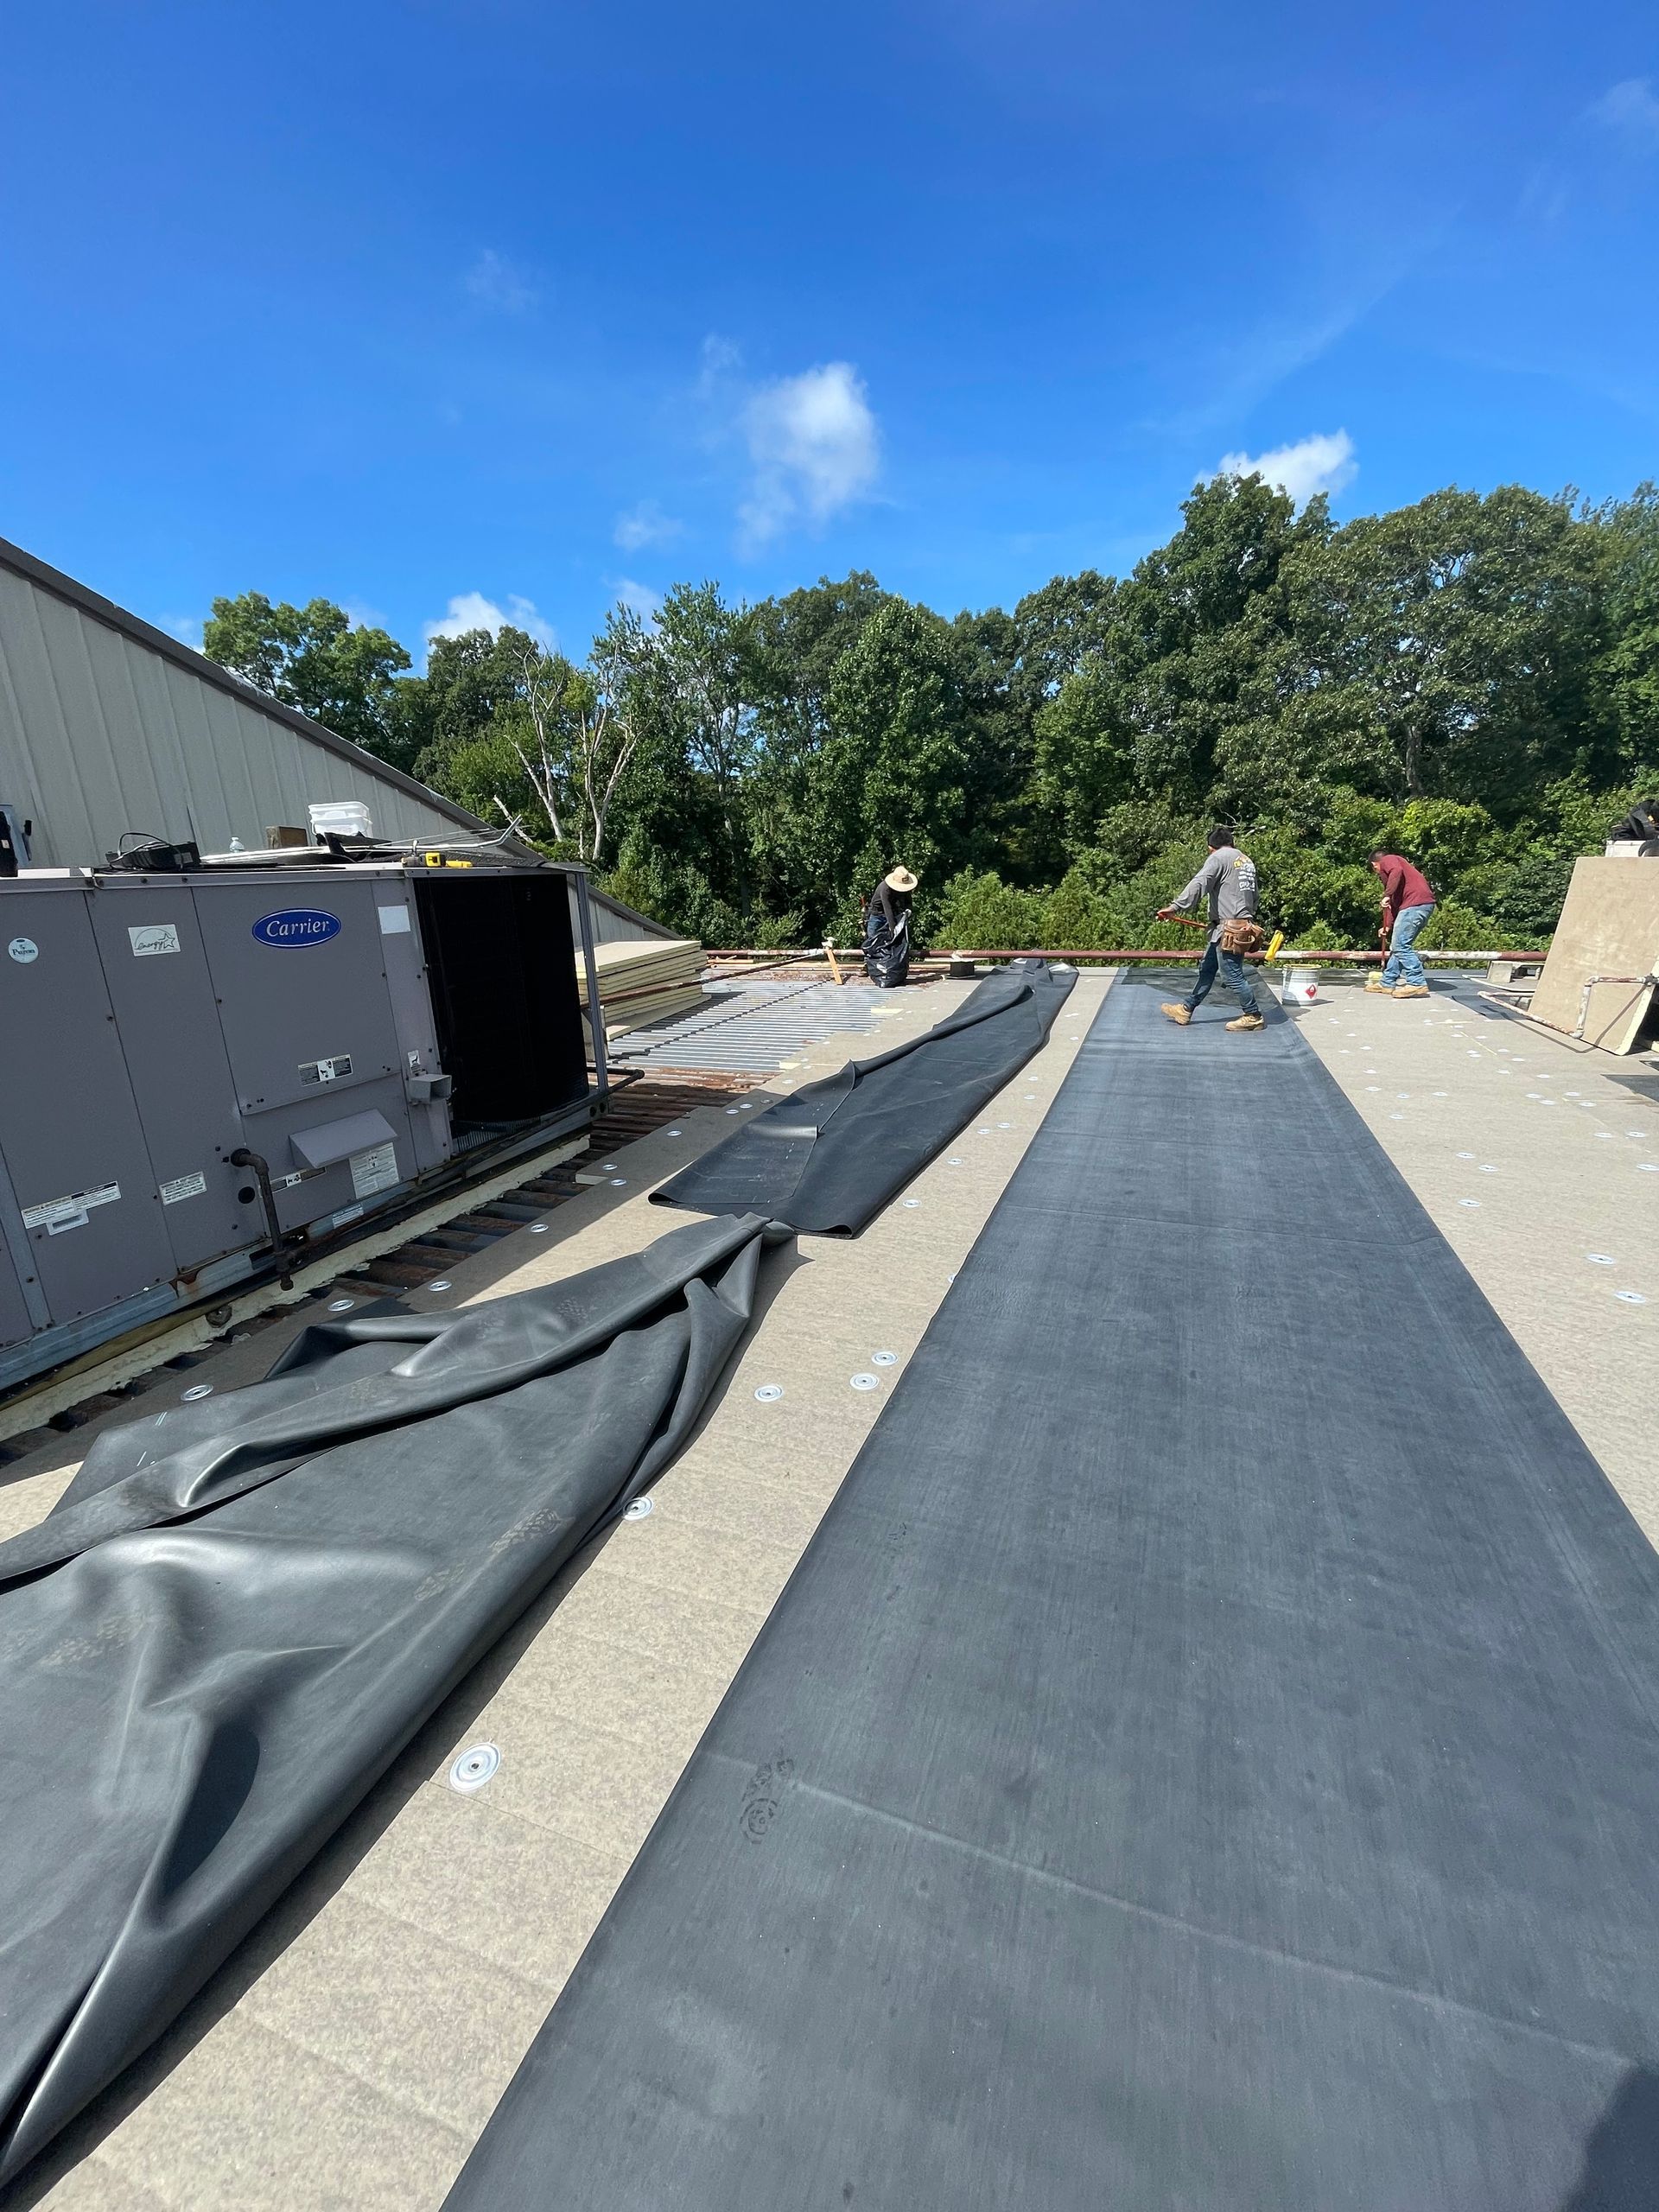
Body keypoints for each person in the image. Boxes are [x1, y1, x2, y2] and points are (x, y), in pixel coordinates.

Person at [1156, 828, 1265, 1032]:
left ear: (1210, 848)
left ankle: (1253, 1015)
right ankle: (1186, 1009)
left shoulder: (1218, 858)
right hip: (1238, 927)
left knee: (1232, 975)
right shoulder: (1246, 861)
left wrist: (1175, 907)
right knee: (1207, 970)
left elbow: (1199, 883)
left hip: (1228, 930)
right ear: (1232, 842)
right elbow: (1255, 895)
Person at [1367, 853, 1436, 998]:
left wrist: (1387, 894)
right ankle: (1387, 982)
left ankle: (1416, 982)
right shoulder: (1399, 883)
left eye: (1375, 870)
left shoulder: (1389, 859)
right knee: (1398, 947)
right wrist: (1387, 926)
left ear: (1375, 865)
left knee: (1400, 946)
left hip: (1415, 905)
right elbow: (1394, 906)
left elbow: (1396, 871)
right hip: (1420, 906)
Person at [864, 865, 917, 987]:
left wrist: (908, 911)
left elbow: (908, 902)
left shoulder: (905, 889)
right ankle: (869, 967)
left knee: (895, 944)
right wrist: (893, 927)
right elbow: (886, 907)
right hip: (877, 916)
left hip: (894, 914)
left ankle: (891, 968)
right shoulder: (885, 888)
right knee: (873, 942)